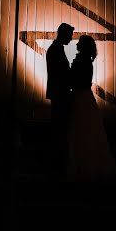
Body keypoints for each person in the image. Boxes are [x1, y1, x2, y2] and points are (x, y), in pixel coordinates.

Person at [66, 35, 116, 182]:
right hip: (85, 97)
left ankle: (83, 165)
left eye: (80, 42)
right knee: (88, 130)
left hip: (80, 97)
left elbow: (77, 81)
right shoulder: (87, 61)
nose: (77, 44)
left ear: (83, 46)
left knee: (81, 129)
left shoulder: (81, 61)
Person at [45, 22, 74, 180]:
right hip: (59, 93)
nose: (71, 39)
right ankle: (57, 161)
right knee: (59, 125)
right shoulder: (56, 50)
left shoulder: (56, 48)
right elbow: (60, 74)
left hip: (59, 93)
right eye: (69, 36)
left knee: (59, 125)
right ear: (63, 34)